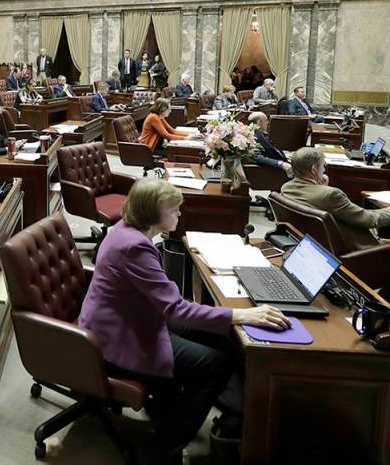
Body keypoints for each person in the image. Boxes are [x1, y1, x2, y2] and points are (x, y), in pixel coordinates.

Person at [78, 178, 289, 465]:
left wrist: (229, 318)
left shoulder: (126, 230)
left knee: (219, 337)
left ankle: (231, 412)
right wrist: (240, 314)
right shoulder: (134, 247)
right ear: (154, 214)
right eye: (174, 210)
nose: (179, 215)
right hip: (119, 337)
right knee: (216, 363)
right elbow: (175, 309)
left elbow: (168, 302)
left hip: (129, 317)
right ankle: (163, 448)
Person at [281, 147, 390, 251]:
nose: (325, 170)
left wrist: (323, 188)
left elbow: (314, 197)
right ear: (314, 170)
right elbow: (367, 219)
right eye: (323, 166)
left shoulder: (286, 188)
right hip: (355, 249)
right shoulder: (331, 195)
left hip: (313, 243)